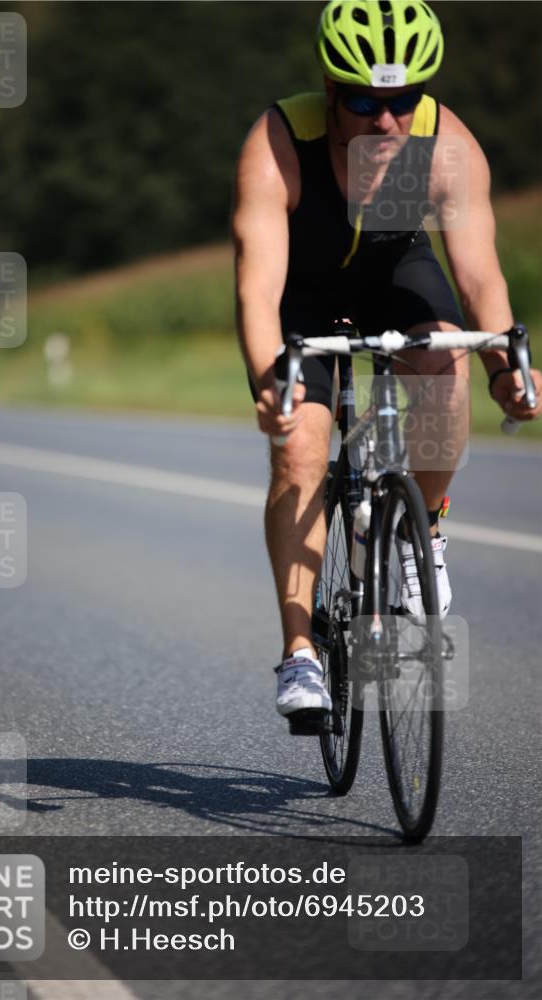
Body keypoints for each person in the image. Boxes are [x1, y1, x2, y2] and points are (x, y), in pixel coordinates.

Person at [231, 0, 542, 732]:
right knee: (300, 451)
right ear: (330, 92)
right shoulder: (280, 141)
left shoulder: (442, 143)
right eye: (365, 101)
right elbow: (257, 286)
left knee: (447, 359)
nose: (386, 121)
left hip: (394, 272)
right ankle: (300, 650)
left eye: (403, 100)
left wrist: (509, 368)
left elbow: (479, 281)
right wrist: (269, 378)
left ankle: (424, 531)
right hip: (301, 294)